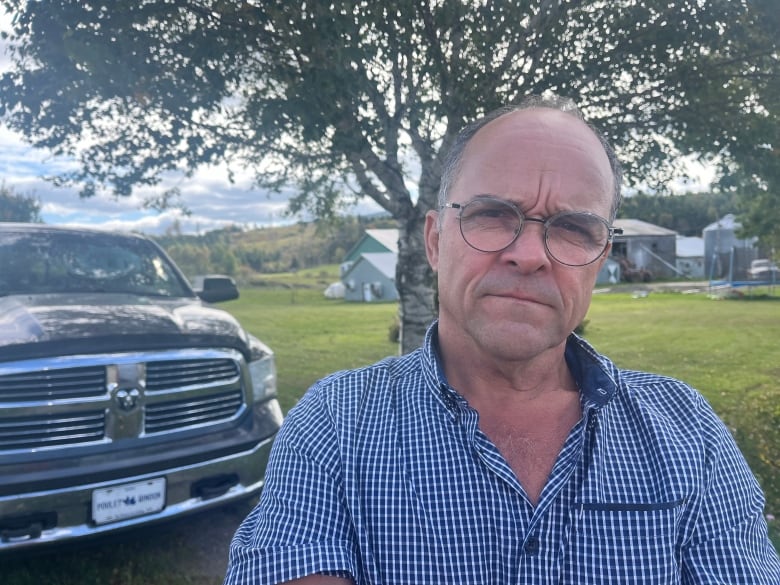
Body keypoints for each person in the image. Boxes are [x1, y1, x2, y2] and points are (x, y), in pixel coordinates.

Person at [224, 95, 780, 584]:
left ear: (599, 260)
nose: (531, 255)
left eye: (572, 227)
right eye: (493, 214)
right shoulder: (334, 425)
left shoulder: (690, 434)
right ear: (436, 242)